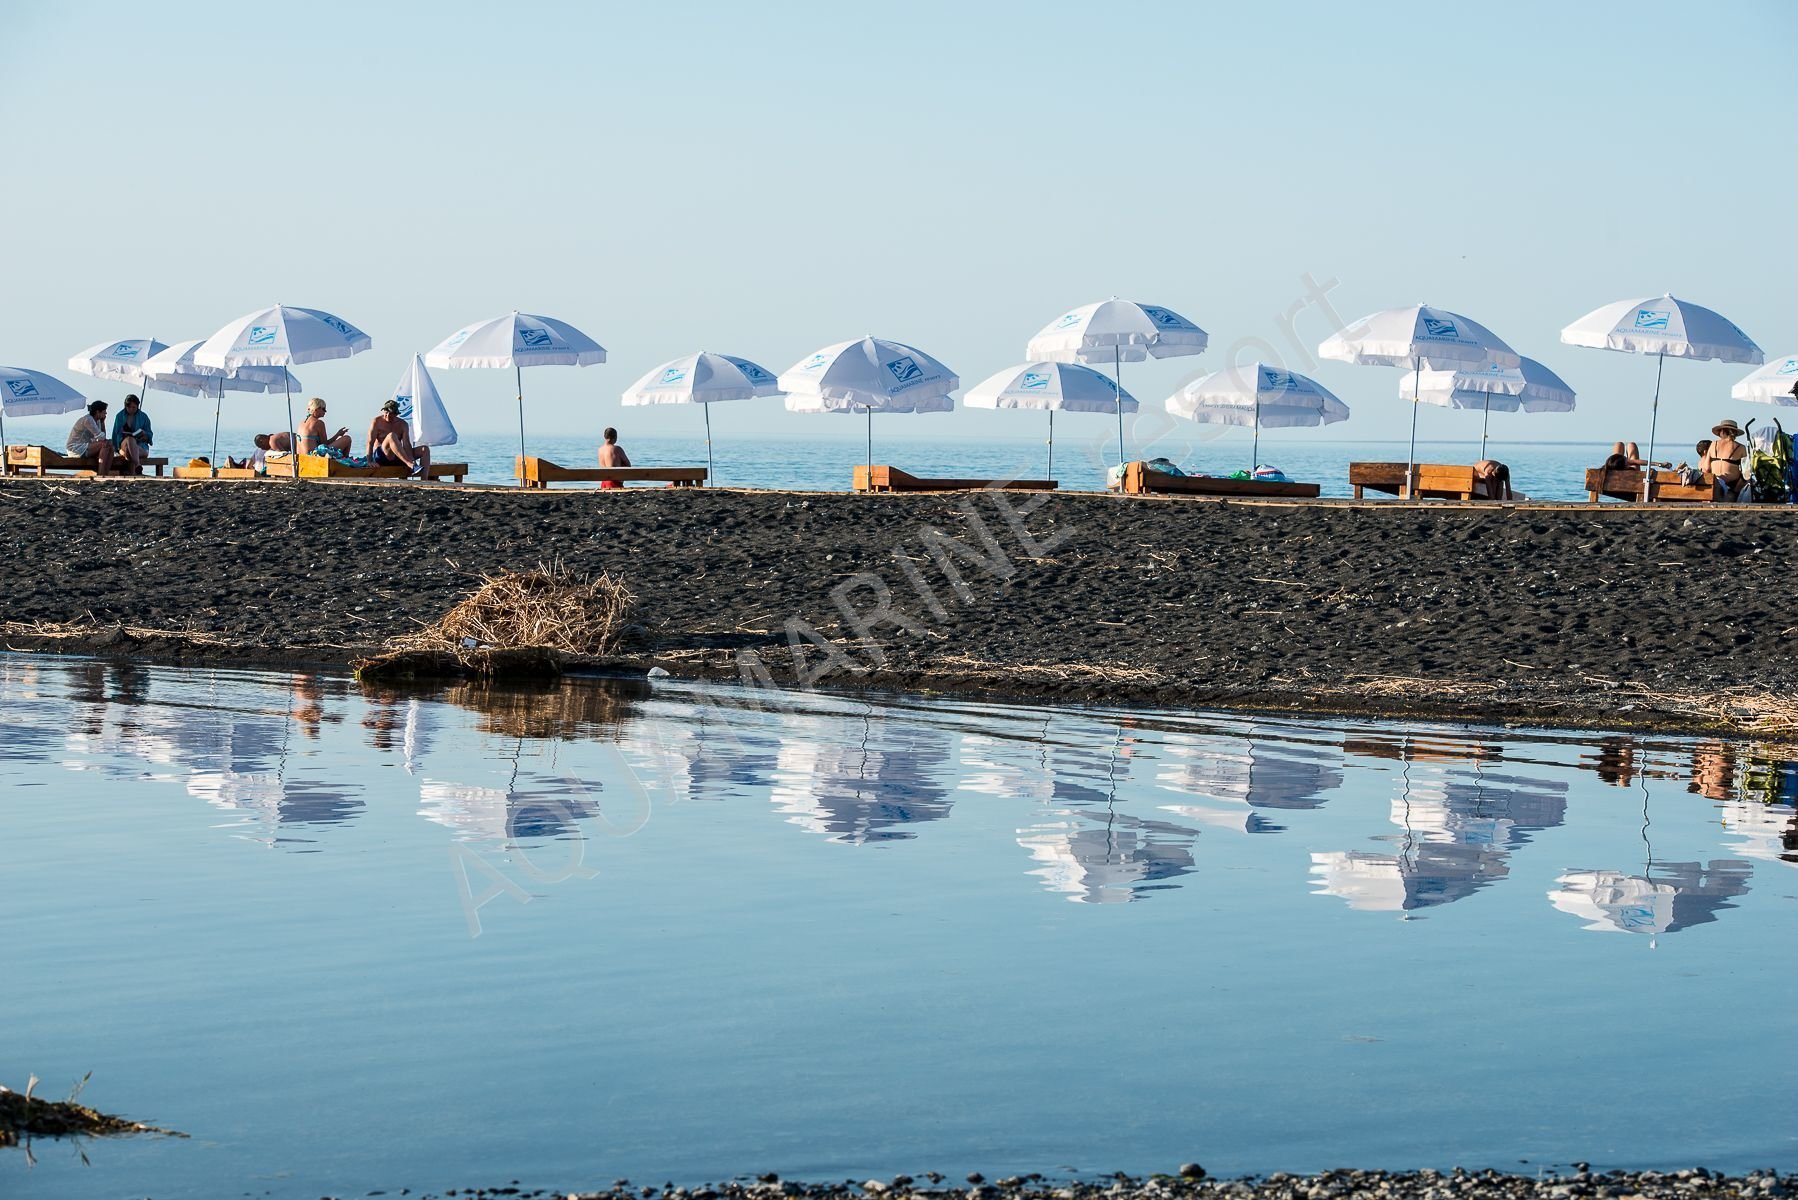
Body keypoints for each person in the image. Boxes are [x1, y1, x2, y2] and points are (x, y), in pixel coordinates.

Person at [366, 399, 430, 477]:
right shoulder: (376, 422)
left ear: (396, 414)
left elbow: (406, 444)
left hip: (398, 456)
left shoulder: (403, 424)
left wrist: (412, 459)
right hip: (382, 456)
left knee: (425, 449)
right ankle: (410, 464)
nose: (387, 415)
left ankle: (424, 481)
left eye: (390, 414)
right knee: (391, 436)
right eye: (386, 412)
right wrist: (369, 461)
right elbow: (370, 442)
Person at [66, 400, 118, 473]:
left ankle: (105, 473)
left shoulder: (98, 421)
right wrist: (107, 441)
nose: (106, 413)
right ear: (97, 412)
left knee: (110, 446)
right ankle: (101, 473)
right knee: (105, 444)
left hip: (86, 447)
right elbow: (101, 437)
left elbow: (103, 436)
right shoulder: (88, 419)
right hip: (75, 448)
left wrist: (103, 422)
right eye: (104, 411)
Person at [1702, 419, 1749, 500]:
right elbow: (1746, 473)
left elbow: (1706, 469)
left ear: (1722, 432)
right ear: (1735, 433)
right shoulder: (1741, 448)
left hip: (1715, 484)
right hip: (1733, 487)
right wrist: (1734, 492)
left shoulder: (1713, 445)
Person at [110, 393, 154, 474]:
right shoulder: (120, 416)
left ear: (137, 406)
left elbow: (150, 435)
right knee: (130, 439)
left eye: (134, 407)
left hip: (140, 446)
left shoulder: (144, 417)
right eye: (129, 407)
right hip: (124, 443)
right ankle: (137, 465)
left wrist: (145, 435)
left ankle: (131, 473)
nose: (131, 409)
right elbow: (116, 434)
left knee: (129, 451)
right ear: (125, 406)